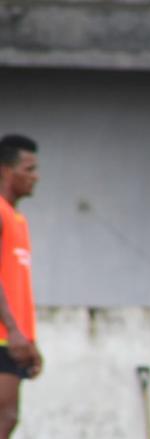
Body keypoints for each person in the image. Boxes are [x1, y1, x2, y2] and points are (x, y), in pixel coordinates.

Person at [0, 135, 42, 439]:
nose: (35, 177)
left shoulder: (19, 220)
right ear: (5, 171)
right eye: (28, 169)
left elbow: (17, 288)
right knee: (5, 416)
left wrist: (29, 339)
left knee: (8, 418)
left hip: (13, 337)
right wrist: (14, 330)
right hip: (3, 335)